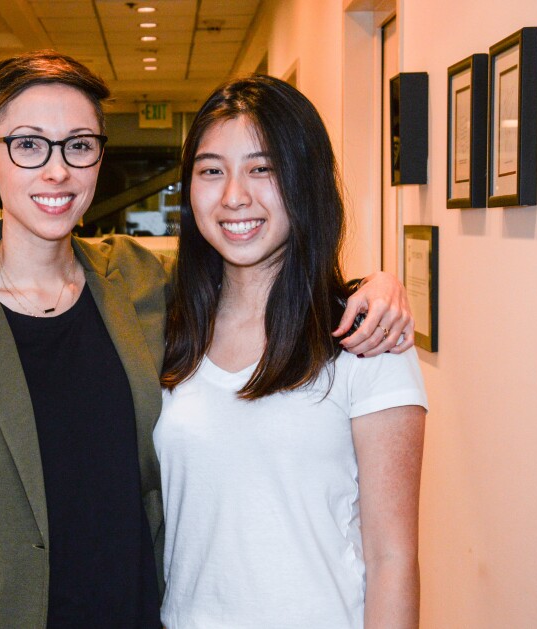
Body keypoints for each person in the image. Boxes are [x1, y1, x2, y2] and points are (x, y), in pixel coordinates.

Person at [0, 51, 413, 629]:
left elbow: (263, 286)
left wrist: (378, 287)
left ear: (98, 158)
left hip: (144, 611)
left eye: (78, 145)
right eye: (28, 145)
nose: (57, 171)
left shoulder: (140, 282)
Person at [155, 75, 428, 629]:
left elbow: (392, 559)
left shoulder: (364, 340)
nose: (234, 196)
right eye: (211, 170)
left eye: (263, 168)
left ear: (305, 180)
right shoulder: (168, 328)